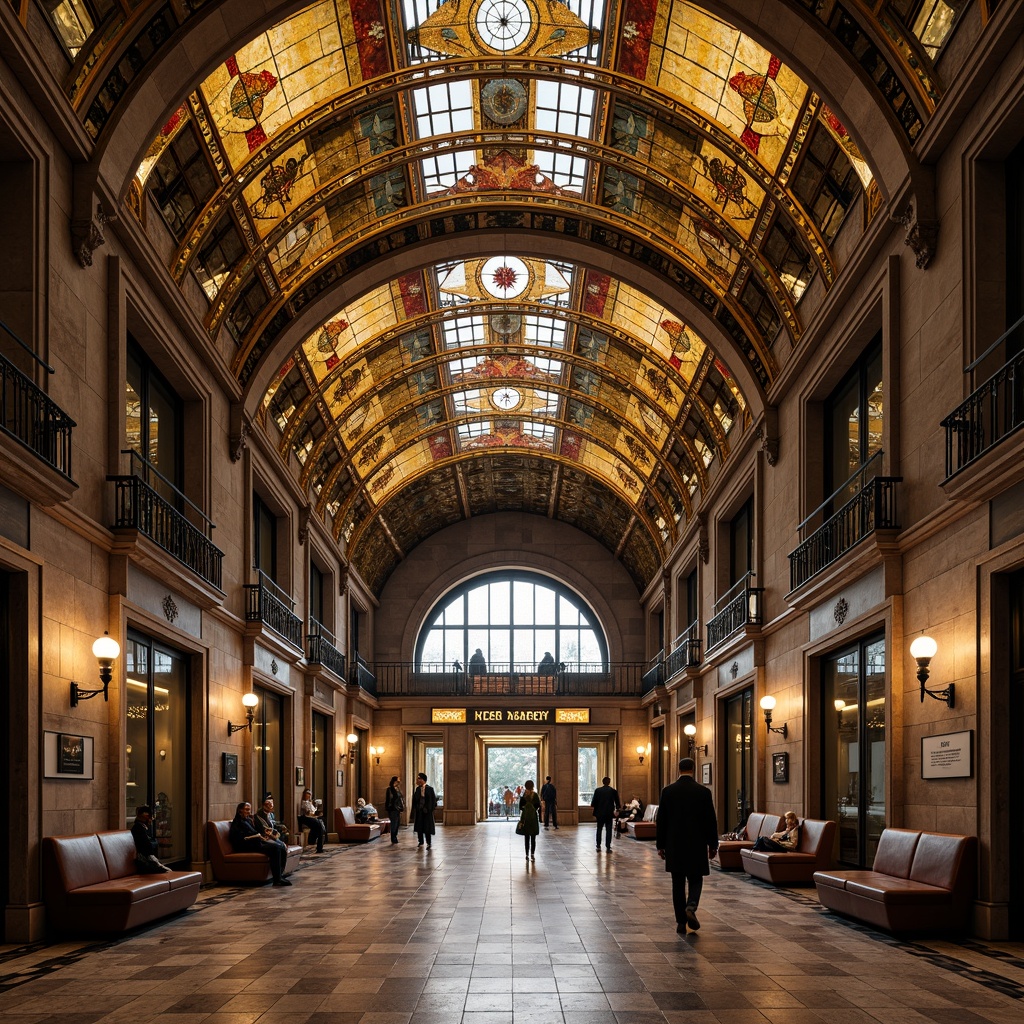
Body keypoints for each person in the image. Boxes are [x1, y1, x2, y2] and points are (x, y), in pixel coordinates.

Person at [656, 757, 719, 932]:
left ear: (679, 769)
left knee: (677, 883)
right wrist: (713, 844)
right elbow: (710, 821)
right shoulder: (703, 792)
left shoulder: (668, 791)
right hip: (697, 844)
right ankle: (691, 906)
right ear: (693, 769)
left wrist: (660, 845)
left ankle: (681, 922)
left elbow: (662, 820)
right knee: (695, 879)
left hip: (674, 844)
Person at [229, 801, 291, 885]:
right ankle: (277, 879)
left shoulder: (248, 820)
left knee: (280, 847)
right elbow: (238, 838)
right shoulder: (237, 822)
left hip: (255, 843)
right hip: (246, 845)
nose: (248, 812)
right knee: (275, 848)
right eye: (246, 810)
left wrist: (263, 834)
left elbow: (254, 832)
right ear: (240, 810)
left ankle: (280, 875)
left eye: (249, 810)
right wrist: (257, 837)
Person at [131, 805, 170, 873]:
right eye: (150, 817)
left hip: (145, 861)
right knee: (168, 871)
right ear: (146, 817)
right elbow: (147, 848)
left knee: (166, 870)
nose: (151, 820)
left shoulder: (140, 828)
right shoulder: (139, 828)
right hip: (144, 863)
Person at [590, 776, 621, 852]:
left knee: (599, 829)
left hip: (599, 813)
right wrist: (617, 810)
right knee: (609, 830)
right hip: (609, 813)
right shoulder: (613, 791)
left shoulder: (597, 791)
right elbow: (617, 803)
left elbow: (593, 803)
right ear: (609, 782)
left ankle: (598, 846)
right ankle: (608, 847)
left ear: (603, 782)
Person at [410, 771, 437, 848]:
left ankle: (428, 842)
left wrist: (429, 809)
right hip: (419, 811)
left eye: (419, 779)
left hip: (427, 811)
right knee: (419, 827)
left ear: (423, 779)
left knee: (427, 827)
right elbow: (415, 800)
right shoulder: (417, 789)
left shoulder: (430, 789)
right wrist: (416, 808)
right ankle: (420, 841)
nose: (417, 780)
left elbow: (433, 800)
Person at [298, 789, 326, 853]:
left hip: (313, 817)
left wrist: (317, 812)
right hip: (306, 818)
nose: (309, 796)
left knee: (320, 826)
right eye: (307, 794)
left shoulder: (310, 803)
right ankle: (316, 844)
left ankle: (316, 844)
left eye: (310, 794)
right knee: (319, 826)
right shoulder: (304, 802)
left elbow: (314, 811)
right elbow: (308, 812)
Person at [519, 780, 541, 861]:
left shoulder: (523, 794)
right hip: (533, 817)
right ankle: (532, 854)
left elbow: (520, 807)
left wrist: (526, 809)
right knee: (533, 837)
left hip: (525, 817)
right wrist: (533, 809)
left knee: (526, 837)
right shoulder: (535, 795)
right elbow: (538, 805)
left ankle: (526, 854)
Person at [385, 776, 405, 844]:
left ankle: (395, 836)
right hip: (392, 808)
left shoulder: (398, 789)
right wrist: (388, 808)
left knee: (397, 823)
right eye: (398, 781)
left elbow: (401, 798)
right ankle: (393, 837)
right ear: (394, 781)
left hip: (398, 809)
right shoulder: (389, 789)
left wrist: (402, 807)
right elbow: (388, 799)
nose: (399, 783)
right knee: (394, 823)